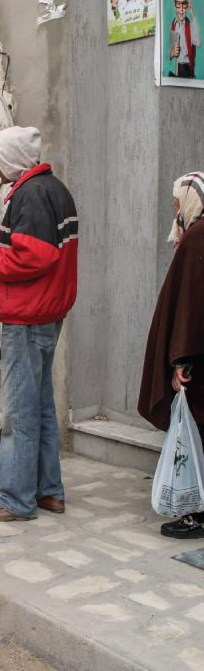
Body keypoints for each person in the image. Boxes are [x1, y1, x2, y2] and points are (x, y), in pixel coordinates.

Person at [0, 127, 78, 522]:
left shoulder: (31, 194)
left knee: (17, 412)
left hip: (28, 315)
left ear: (11, 158)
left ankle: (16, 499)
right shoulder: (53, 189)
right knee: (41, 406)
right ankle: (49, 492)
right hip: (47, 312)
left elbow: (35, 257)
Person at [139, 172, 204, 539]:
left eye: (178, 203)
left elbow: (192, 308)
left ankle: (198, 513)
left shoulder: (198, 237)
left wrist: (182, 360)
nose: (175, 211)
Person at [170, 0, 200, 79]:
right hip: (177, 67)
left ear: (187, 4)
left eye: (184, 4)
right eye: (179, 4)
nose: (182, 9)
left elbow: (198, 42)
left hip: (188, 68)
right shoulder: (173, 25)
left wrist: (192, 14)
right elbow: (171, 50)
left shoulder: (190, 25)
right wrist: (172, 53)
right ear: (174, 4)